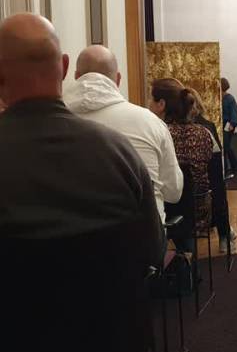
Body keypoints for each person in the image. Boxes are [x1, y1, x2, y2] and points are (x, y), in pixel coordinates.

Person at [0, 14, 163, 352]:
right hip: (112, 333)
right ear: (63, 67)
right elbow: (153, 250)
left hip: (13, 340)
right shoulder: (119, 152)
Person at [63, 45, 183, 224]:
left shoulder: (52, 121)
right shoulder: (150, 122)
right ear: (118, 79)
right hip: (142, 233)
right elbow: (173, 192)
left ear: (76, 76)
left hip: (73, 233)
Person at [149, 78, 214, 255]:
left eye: (150, 100)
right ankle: (186, 258)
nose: (148, 105)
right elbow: (211, 170)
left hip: (169, 208)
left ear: (161, 105)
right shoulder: (204, 133)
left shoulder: (160, 132)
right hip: (199, 207)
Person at [189, 88, 237, 252]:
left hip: (203, 183)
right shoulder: (171, 128)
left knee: (217, 190)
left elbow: (216, 160)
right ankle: (225, 234)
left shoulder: (206, 127)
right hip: (191, 186)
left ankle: (224, 234)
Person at [221, 77, 237, 178]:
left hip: (228, 125)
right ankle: (230, 168)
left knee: (226, 147)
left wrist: (232, 125)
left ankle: (233, 168)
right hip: (221, 126)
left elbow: (234, 114)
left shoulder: (229, 99)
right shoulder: (218, 98)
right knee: (225, 147)